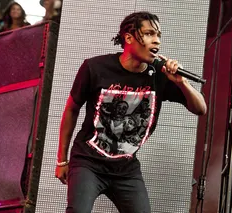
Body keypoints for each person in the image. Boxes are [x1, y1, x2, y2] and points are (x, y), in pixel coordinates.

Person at [55, 11, 207, 213]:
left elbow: (201, 108)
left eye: (159, 36)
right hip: (88, 162)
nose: (157, 41)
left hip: (126, 169)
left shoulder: (160, 76)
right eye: (150, 34)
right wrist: (62, 160)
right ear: (129, 37)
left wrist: (182, 83)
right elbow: (71, 110)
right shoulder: (95, 67)